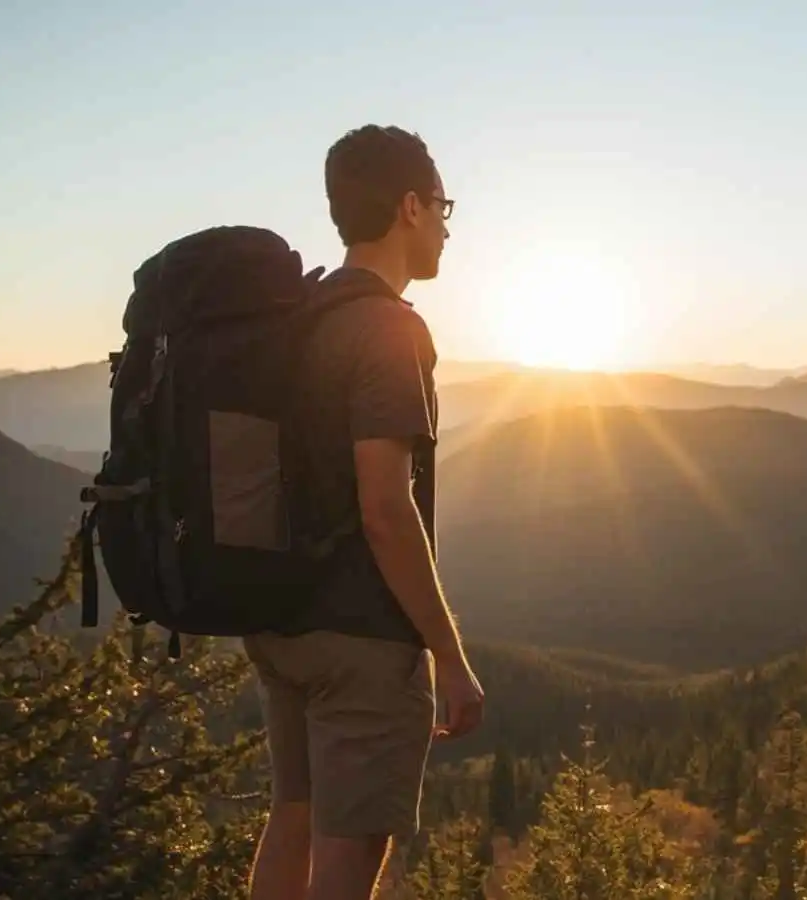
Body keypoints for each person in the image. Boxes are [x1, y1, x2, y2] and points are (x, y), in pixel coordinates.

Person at [241, 124, 485, 900]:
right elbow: (386, 505)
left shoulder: (301, 317)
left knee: (293, 822)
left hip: (280, 621)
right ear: (410, 207)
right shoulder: (390, 328)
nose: (448, 224)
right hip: (361, 640)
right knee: (344, 874)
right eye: (443, 206)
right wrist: (447, 652)